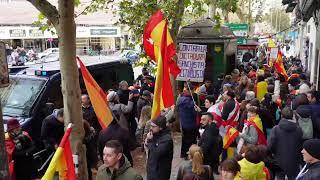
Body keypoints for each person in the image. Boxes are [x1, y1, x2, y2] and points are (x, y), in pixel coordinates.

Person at [268, 107, 303, 180]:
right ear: (292, 116)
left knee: (280, 177)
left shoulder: (276, 129)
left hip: (279, 159)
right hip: (294, 159)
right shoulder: (298, 129)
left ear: (282, 116)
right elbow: (300, 145)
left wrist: (274, 153)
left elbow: (270, 145)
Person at [145, 115, 173, 180]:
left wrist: (150, 142)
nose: (151, 128)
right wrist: (147, 141)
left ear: (160, 127)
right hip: (152, 170)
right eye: (151, 126)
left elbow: (157, 152)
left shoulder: (167, 139)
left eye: (153, 126)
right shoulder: (154, 134)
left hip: (160, 174)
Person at [177, 83, 198, 159]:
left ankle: (183, 154)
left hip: (183, 122)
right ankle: (188, 155)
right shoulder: (190, 102)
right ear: (190, 90)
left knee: (185, 139)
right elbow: (194, 113)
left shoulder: (180, 99)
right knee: (190, 140)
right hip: (191, 123)